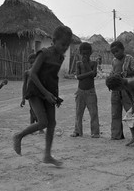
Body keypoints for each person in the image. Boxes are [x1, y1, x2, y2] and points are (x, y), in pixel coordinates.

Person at [13, 26, 73, 166]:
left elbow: (52, 77)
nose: (65, 48)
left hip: (49, 92)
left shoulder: (60, 57)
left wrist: (54, 96)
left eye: (67, 45)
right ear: (54, 41)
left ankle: (47, 155)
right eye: (62, 44)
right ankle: (19, 136)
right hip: (36, 91)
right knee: (43, 122)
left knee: (52, 123)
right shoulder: (44, 53)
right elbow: (32, 74)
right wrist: (45, 93)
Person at [109, 41, 134, 140]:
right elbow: (112, 72)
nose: (115, 54)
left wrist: (125, 73)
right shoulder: (114, 61)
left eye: (117, 51)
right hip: (116, 89)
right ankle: (116, 135)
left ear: (123, 50)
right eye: (113, 53)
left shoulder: (129, 58)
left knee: (131, 111)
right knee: (115, 112)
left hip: (126, 89)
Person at [105, 74, 134, 147]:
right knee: (128, 117)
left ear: (118, 85)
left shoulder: (130, 83)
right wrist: (133, 105)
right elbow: (129, 94)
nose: (118, 90)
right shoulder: (124, 84)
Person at [71, 42, 100, 138]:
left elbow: (94, 75)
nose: (85, 55)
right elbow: (78, 77)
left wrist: (86, 65)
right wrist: (90, 72)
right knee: (78, 112)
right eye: (83, 54)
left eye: (87, 53)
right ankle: (77, 131)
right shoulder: (78, 64)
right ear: (80, 53)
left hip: (91, 91)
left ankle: (95, 132)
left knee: (93, 113)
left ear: (90, 53)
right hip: (80, 91)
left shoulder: (93, 63)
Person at [20, 53, 40, 129]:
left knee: (39, 111)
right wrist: (23, 98)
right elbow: (24, 86)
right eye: (31, 63)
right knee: (32, 111)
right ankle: (32, 126)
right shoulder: (27, 73)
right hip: (31, 95)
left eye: (34, 62)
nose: (32, 65)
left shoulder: (40, 72)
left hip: (39, 94)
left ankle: (39, 127)